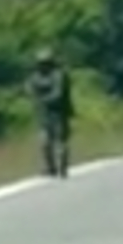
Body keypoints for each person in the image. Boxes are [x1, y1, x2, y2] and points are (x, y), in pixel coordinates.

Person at [26, 48, 74, 178]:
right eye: (41, 63)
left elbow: (58, 94)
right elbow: (30, 89)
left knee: (60, 141)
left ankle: (62, 167)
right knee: (44, 142)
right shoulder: (36, 76)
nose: (43, 66)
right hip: (44, 113)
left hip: (59, 112)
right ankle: (51, 167)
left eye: (45, 63)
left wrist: (42, 99)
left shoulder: (59, 75)